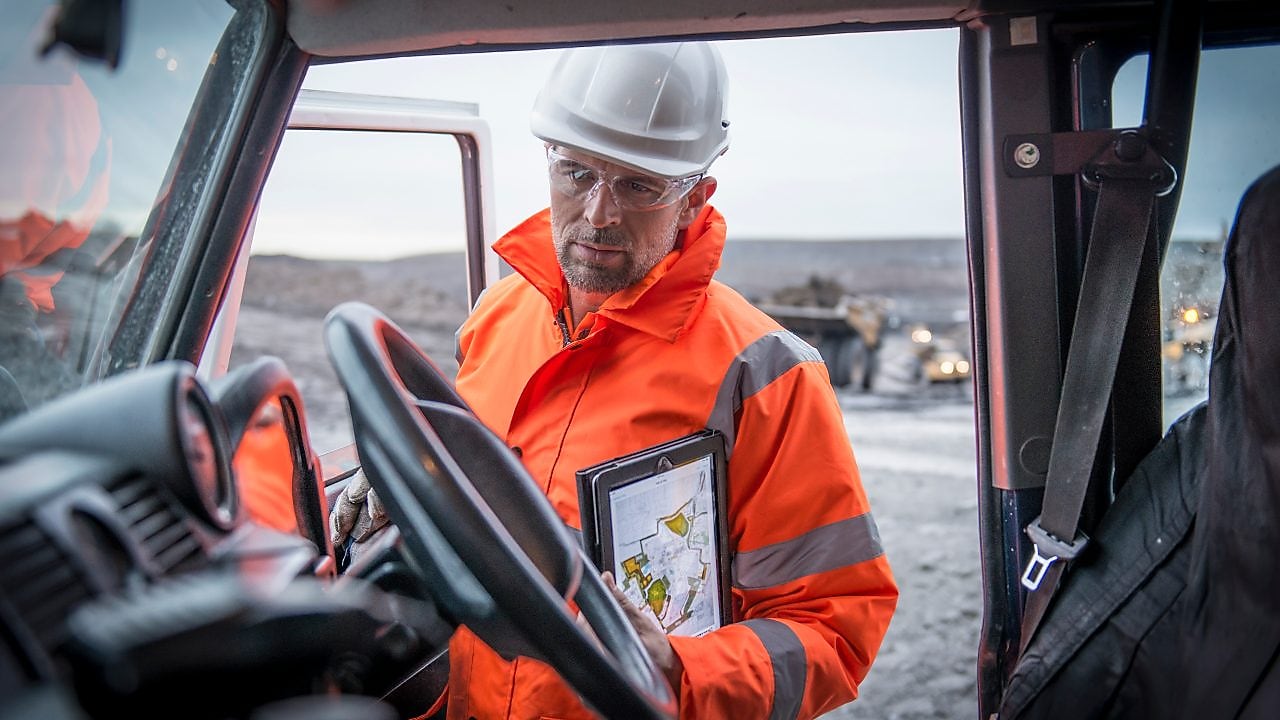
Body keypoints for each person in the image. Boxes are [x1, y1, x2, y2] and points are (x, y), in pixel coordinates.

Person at [333, 41, 897, 719]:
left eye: (639, 185)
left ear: (695, 199)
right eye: (576, 172)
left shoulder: (766, 372)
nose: (599, 213)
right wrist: (410, 477)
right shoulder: (497, 316)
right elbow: (485, 505)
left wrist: (677, 667)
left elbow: (836, 634)